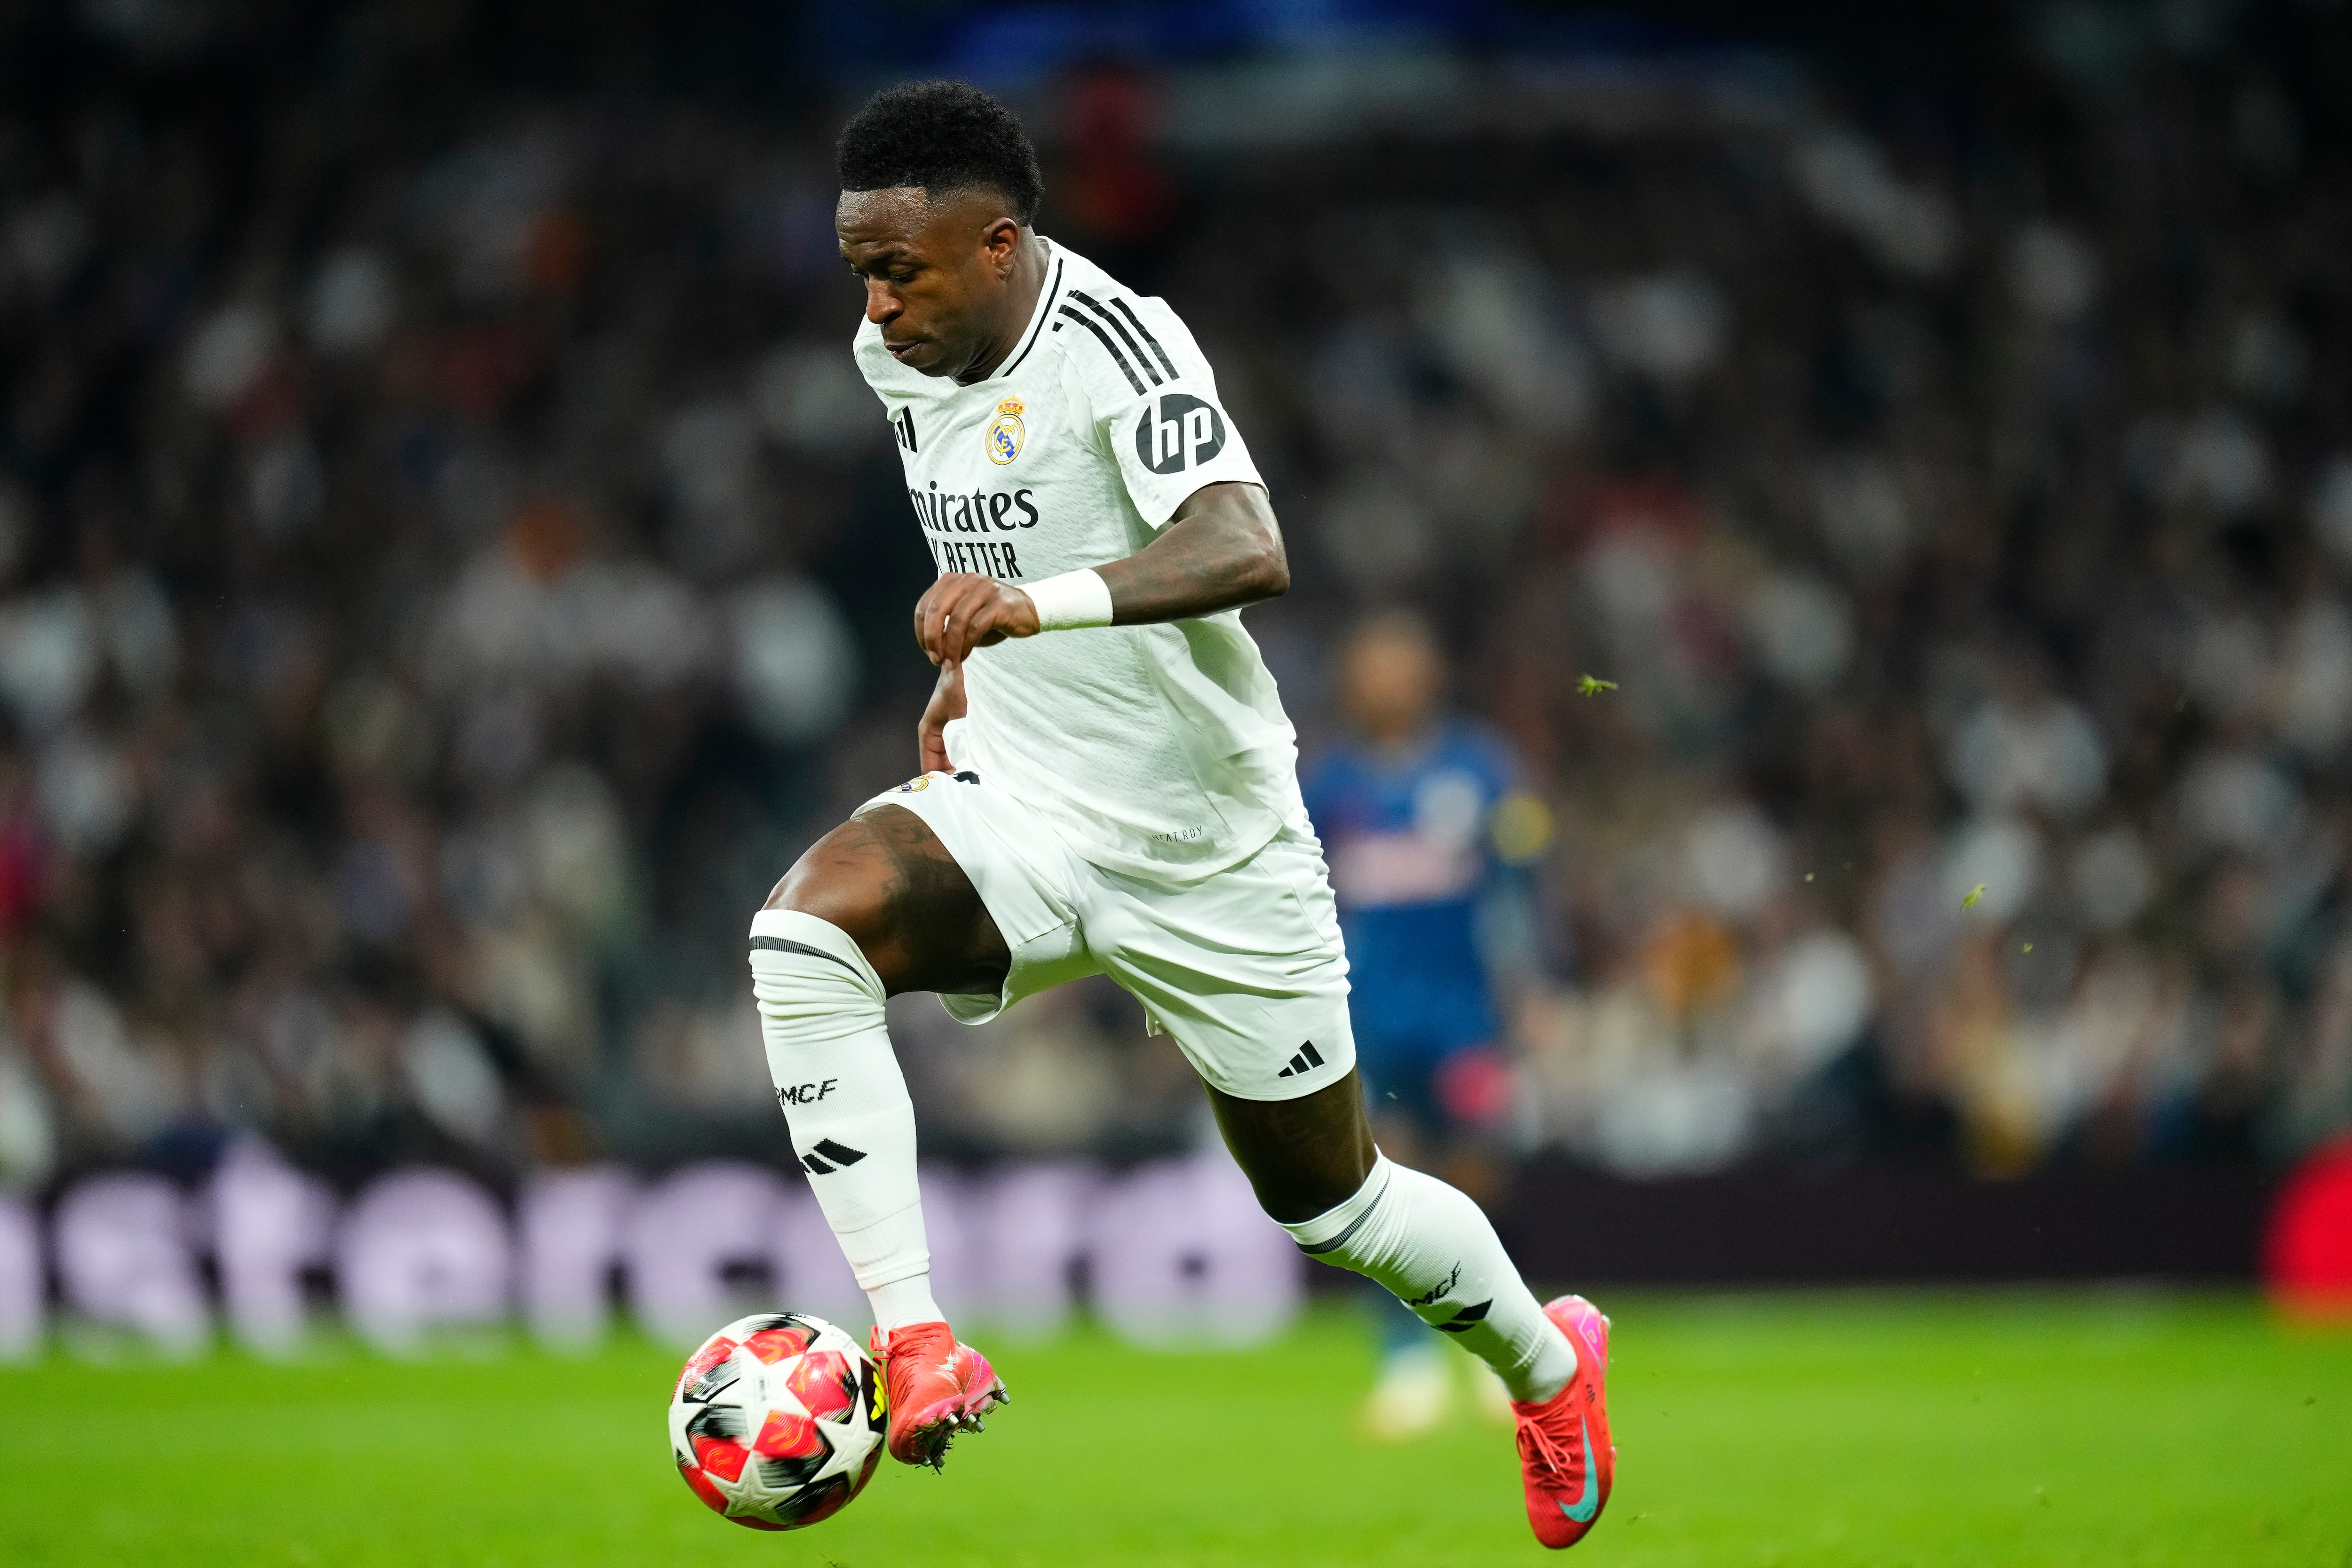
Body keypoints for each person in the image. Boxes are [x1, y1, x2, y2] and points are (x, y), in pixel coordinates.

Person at [746, 80, 1613, 1550]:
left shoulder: (1117, 345)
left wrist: (1026, 608)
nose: (877, 306)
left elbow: (1245, 539)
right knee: (803, 933)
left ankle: (1549, 1365)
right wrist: (969, 673)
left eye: (902, 269)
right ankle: (914, 1339)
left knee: (1331, 1206)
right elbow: (989, 517)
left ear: (1002, 244)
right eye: (860, 272)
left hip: (1211, 848)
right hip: (1022, 803)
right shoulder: (898, 360)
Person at [1303, 609, 1551, 1438]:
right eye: (1372, 667)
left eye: (1400, 665)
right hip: (1370, 1011)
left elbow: (1524, 882)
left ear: (1428, 675)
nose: (1386, 682)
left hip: (1466, 1012)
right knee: (1387, 1185)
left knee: (1481, 1173)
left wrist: (1537, 985)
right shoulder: (1329, 785)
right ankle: (1404, 1360)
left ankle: (1494, 1350)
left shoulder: (1479, 769)